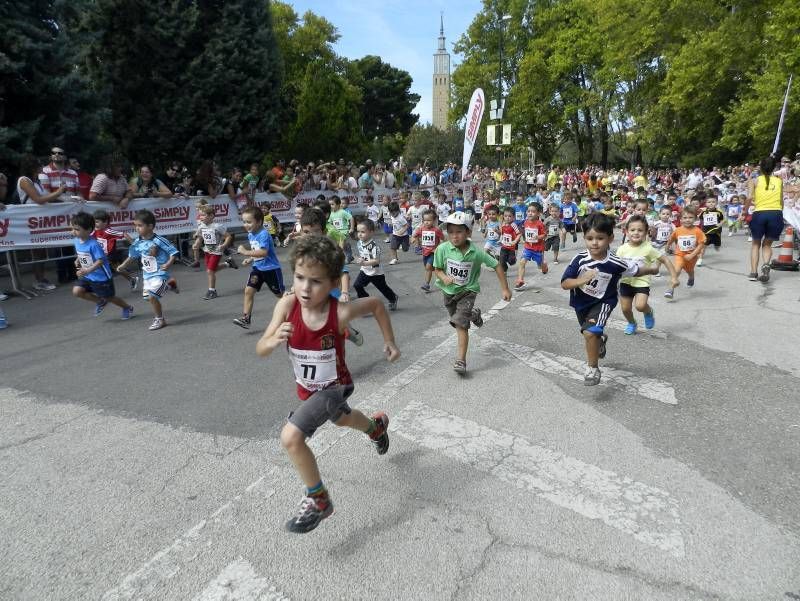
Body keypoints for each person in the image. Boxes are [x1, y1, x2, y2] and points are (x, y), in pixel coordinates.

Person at [255, 234, 399, 533]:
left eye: (316, 281)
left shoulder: (340, 313)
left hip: (334, 385)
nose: (305, 288)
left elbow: (375, 306)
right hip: (308, 389)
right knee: (343, 419)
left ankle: (319, 499)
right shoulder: (286, 305)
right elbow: (261, 346)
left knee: (291, 438)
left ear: (333, 283)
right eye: (299, 277)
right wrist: (271, 341)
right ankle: (375, 427)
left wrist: (389, 342)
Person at [560, 213, 659, 386]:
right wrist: (582, 280)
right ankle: (600, 340)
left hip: (604, 302)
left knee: (590, 332)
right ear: (584, 238)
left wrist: (651, 270)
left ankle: (592, 369)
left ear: (610, 238)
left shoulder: (615, 262)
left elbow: (635, 270)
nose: (595, 243)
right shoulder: (580, 259)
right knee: (589, 333)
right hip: (581, 303)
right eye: (590, 238)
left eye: (600, 238)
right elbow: (565, 283)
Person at [433, 212, 512, 374]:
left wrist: (505, 288)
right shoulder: (442, 249)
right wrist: (444, 277)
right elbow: (437, 269)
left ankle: (461, 360)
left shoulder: (477, 252)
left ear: (468, 232)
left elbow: (497, 266)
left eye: (459, 232)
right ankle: (473, 314)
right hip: (448, 293)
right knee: (457, 317)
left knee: (460, 325)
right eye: (451, 232)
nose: (454, 236)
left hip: (468, 292)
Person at [116, 210, 179, 331]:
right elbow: (132, 256)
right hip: (147, 275)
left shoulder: (159, 240)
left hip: (160, 273)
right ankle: (170, 285)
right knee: (147, 298)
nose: (137, 228)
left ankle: (160, 320)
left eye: (140, 225)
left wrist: (168, 263)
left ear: (150, 226)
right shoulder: (137, 242)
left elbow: (174, 252)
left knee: (152, 297)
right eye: (136, 226)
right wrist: (123, 266)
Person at [616, 216, 679, 334]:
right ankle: (632, 323)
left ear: (646, 232)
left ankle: (648, 312)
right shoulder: (622, 249)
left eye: (640, 230)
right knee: (625, 309)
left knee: (640, 306)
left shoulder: (648, 248)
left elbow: (665, 259)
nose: (636, 233)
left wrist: (674, 277)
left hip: (642, 282)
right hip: (625, 282)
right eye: (632, 230)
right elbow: (616, 266)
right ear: (626, 232)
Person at [70, 212, 134, 320]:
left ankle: (127, 307)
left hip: (101, 277)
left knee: (110, 297)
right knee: (77, 291)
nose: (73, 232)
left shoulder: (94, 244)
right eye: (72, 228)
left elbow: (101, 260)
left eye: (76, 229)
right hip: (88, 276)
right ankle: (100, 301)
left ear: (89, 230)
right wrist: (78, 260)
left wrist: (88, 270)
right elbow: (82, 254)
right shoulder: (77, 241)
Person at [16, 154, 66, 291]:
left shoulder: (36, 181)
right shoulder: (24, 180)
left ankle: (41, 278)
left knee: (42, 252)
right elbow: (38, 199)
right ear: (32, 166)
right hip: (32, 220)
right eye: (38, 165)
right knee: (37, 252)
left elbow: (47, 197)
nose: (41, 168)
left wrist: (68, 200)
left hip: (42, 220)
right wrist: (59, 192)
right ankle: (39, 280)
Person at [233, 206, 284, 329]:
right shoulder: (251, 234)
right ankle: (246, 318)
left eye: (249, 222)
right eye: (244, 222)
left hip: (271, 269)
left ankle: (294, 313)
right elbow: (256, 251)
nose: (246, 225)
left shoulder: (263, 234)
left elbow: (263, 252)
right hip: (258, 269)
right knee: (248, 291)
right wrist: (250, 258)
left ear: (259, 222)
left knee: (280, 295)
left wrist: (245, 252)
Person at [744, 156, 784, 282]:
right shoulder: (779, 181)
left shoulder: (754, 181)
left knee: (756, 243)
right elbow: (782, 200)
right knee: (767, 244)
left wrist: (744, 211)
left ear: (760, 167)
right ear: (774, 168)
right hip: (776, 213)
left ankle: (753, 272)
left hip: (760, 213)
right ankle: (766, 263)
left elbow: (749, 198)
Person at [353, 219, 398, 310]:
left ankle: (393, 298)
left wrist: (364, 262)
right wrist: (359, 259)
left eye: (363, 232)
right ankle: (365, 303)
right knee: (357, 285)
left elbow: (376, 261)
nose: (360, 234)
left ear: (371, 232)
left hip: (376, 272)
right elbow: (363, 255)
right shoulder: (359, 243)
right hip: (365, 271)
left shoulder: (374, 246)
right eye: (358, 232)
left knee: (383, 288)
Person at [195, 205, 238, 300]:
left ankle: (212, 291)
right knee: (212, 270)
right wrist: (197, 243)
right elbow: (200, 237)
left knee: (210, 271)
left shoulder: (217, 226)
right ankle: (228, 263)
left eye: (203, 215)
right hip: (207, 251)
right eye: (200, 215)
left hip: (217, 251)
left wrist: (224, 245)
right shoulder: (201, 226)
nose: (201, 217)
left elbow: (228, 236)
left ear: (211, 216)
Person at [91, 209, 138, 290]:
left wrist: (134, 245)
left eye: (97, 222)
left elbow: (124, 234)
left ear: (105, 222)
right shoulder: (95, 231)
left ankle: (104, 288)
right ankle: (132, 279)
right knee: (116, 269)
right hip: (101, 255)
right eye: (94, 222)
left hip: (110, 255)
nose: (95, 224)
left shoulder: (108, 231)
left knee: (114, 269)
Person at [666, 208, 706, 297]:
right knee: (677, 270)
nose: (687, 220)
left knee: (690, 270)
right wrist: (667, 246)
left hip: (692, 256)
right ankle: (670, 289)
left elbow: (701, 244)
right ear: (681, 219)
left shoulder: (697, 231)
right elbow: (671, 239)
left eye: (690, 217)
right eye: (685, 217)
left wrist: (692, 255)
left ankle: (691, 277)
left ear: (695, 219)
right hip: (680, 254)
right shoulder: (677, 230)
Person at [515, 202, 548, 291]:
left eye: (533, 211)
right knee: (522, 262)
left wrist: (538, 237)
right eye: (528, 211)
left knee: (540, 267)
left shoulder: (540, 224)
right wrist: (522, 238)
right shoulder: (525, 222)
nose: (530, 213)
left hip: (538, 249)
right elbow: (523, 231)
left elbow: (544, 235)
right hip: (528, 248)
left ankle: (544, 265)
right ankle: (520, 280)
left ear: (538, 213)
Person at [411, 209, 444, 292]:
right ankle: (442, 276)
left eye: (429, 220)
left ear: (434, 221)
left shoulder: (436, 230)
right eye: (424, 220)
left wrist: (438, 248)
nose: (426, 222)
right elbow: (415, 235)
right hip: (425, 253)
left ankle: (426, 284)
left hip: (433, 253)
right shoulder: (422, 229)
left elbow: (444, 239)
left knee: (428, 267)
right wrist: (413, 239)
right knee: (430, 268)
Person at [698, 196, 724, 265]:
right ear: (706, 204)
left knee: (717, 245)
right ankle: (700, 259)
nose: (711, 203)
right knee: (704, 246)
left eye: (713, 202)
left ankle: (716, 246)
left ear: (716, 203)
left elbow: (722, 220)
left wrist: (720, 224)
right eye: (709, 202)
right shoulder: (704, 212)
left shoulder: (719, 212)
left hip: (716, 231)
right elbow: (699, 219)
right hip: (706, 231)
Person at [499, 207, 521, 275]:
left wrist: (515, 241)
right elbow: (503, 233)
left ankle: (513, 260)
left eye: (509, 216)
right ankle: (504, 270)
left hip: (511, 247)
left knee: (511, 261)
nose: (507, 218)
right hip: (504, 246)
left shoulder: (513, 225)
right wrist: (500, 240)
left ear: (513, 217)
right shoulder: (503, 224)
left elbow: (519, 234)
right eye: (505, 216)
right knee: (501, 260)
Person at [387, 201, 409, 265]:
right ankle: (394, 259)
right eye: (391, 213)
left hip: (404, 236)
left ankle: (407, 243)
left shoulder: (401, 218)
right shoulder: (391, 216)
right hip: (395, 235)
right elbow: (393, 221)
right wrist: (391, 224)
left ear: (398, 211)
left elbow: (407, 225)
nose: (393, 215)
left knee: (405, 249)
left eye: (394, 213)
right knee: (392, 247)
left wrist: (402, 231)